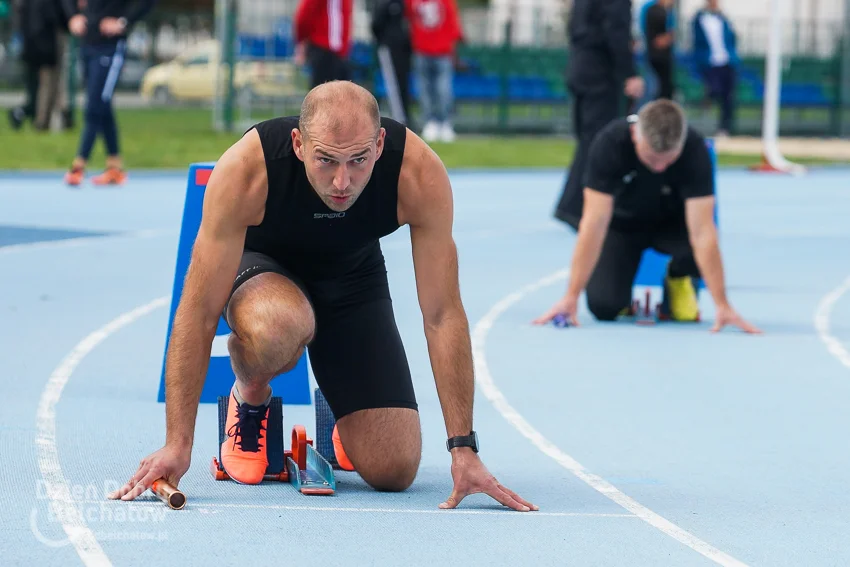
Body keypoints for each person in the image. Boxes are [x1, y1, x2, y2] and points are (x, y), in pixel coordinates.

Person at [108, 81, 538, 513]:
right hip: (263, 271)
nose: (342, 181)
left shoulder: (417, 174)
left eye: (358, 160)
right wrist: (177, 444)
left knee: (395, 470)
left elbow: (443, 314)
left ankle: (343, 420)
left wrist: (463, 449)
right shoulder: (246, 170)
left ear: (380, 144)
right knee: (283, 324)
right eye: (326, 160)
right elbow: (198, 310)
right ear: (298, 144)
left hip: (352, 279)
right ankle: (250, 395)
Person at [534, 99, 760, 334]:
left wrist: (722, 305)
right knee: (604, 307)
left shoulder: (694, 150)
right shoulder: (609, 144)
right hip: (623, 226)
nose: (660, 167)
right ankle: (621, 294)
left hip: (673, 225)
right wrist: (571, 296)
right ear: (635, 135)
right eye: (652, 158)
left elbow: (703, 230)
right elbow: (594, 223)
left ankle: (677, 276)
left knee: (703, 243)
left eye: (669, 159)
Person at [552, 0, 645, 227]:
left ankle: (573, 205)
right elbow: (616, 31)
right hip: (601, 72)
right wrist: (629, 73)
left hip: (580, 65)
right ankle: (576, 207)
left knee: (588, 140)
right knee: (598, 141)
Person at [62, 0, 155, 186]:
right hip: (88, 43)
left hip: (110, 48)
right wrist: (73, 15)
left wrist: (123, 22)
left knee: (94, 106)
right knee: (103, 107)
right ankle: (115, 168)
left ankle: (79, 165)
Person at [692, 0, 738, 136]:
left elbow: (731, 37)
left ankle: (725, 128)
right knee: (714, 90)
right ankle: (705, 108)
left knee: (728, 97)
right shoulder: (699, 19)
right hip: (710, 63)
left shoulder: (723, 19)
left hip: (727, 62)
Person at [293, 0, 353, 89]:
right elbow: (304, 16)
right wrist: (302, 41)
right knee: (323, 95)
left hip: (336, 51)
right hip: (324, 49)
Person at [643, 0, 676, 100]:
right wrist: (668, 37)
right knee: (656, 90)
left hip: (663, 58)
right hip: (657, 58)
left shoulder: (666, 12)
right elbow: (658, 41)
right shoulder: (655, 11)